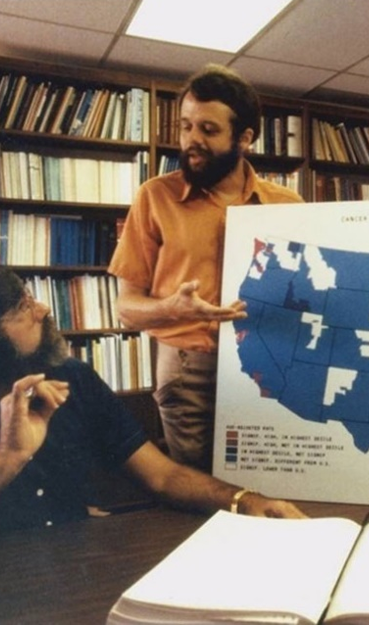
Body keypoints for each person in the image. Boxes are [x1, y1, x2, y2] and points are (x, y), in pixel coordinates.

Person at [0, 262, 306, 567]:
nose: (42, 308)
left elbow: (163, 475)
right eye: (22, 306)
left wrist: (244, 500)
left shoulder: (71, 376)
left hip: (75, 577)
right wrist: (6, 458)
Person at [108, 64, 304, 472]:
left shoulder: (288, 205)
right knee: (200, 486)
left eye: (209, 130)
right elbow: (125, 308)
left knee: (268, 479)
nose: (192, 140)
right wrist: (173, 309)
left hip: (269, 360)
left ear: (245, 138)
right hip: (188, 366)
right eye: (185, 126)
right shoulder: (155, 197)